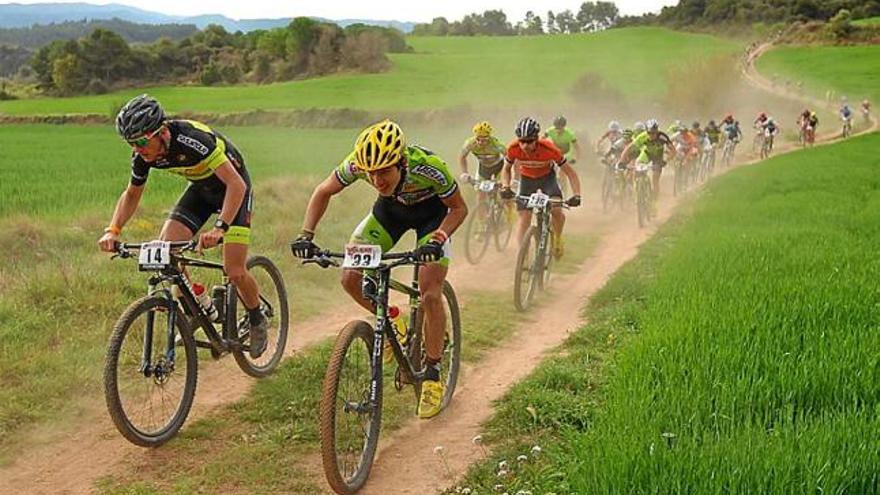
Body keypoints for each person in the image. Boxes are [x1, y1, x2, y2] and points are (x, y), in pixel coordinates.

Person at [290, 120, 468, 419]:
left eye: (384, 171)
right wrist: (306, 234)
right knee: (350, 277)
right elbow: (323, 191)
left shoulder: (429, 167)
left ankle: (433, 373)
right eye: (371, 173)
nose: (377, 180)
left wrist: (438, 238)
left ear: (401, 162)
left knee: (430, 295)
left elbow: (459, 208)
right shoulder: (358, 165)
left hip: (432, 219)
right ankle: (391, 322)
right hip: (389, 216)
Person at [97, 94, 269, 358]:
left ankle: (257, 319)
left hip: (234, 190)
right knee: (167, 252)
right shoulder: (143, 156)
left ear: (161, 132)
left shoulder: (192, 140)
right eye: (131, 143)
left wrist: (219, 228)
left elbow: (236, 185)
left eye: (142, 141)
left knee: (234, 270)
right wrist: (113, 230)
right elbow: (132, 194)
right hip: (201, 191)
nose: (137, 148)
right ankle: (204, 307)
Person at [500, 117, 581, 259]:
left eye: (529, 141)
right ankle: (522, 255)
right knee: (524, 217)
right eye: (522, 141)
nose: (525, 146)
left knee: (556, 209)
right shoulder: (513, 148)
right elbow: (506, 169)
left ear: (536, 139)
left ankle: (557, 238)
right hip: (527, 181)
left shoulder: (550, 149)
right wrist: (505, 186)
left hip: (547, 180)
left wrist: (577, 195)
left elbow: (570, 173)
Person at [459, 121, 508, 213]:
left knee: (504, 194)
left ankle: (510, 220)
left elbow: (510, 160)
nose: (481, 142)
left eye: (484, 139)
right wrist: (465, 173)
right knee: (480, 196)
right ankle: (482, 224)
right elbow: (462, 157)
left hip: (499, 168)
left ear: (489, 137)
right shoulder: (470, 143)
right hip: (483, 169)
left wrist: (507, 179)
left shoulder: (496, 145)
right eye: (478, 139)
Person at [618, 119, 676, 197]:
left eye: (654, 133)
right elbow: (629, 148)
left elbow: (673, 151)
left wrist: (665, 160)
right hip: (646, 154)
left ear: (657, 131)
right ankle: (637, 192)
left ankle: (654, 199)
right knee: (637, 171)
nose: (652, 135)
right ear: (646, 131)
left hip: (658, 157)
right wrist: (621, 161)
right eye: (649, 133)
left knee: (655, 179)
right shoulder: (642, 136)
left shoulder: (663, 137)